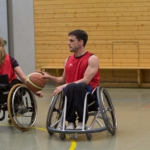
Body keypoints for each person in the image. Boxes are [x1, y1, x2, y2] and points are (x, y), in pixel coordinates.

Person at [43, 29, 100, 129]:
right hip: (69, 93)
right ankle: (71, 121)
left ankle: (82, 122)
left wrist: (64, 86)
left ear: (81, 42)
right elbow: (63, 79)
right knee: (71, 87)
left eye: (71, 41)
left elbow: (86, 80)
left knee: (77, 86)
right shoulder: (68, 60)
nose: (68, 43)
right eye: (68, 41)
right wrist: (49, 77)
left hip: (88, 94)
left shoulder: (92, 58)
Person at [0, 37, 43, 104]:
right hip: (9, 91)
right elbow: (23, 77)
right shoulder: (10, 59)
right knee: (16, 83)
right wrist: (34, 91)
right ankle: (17, 107)